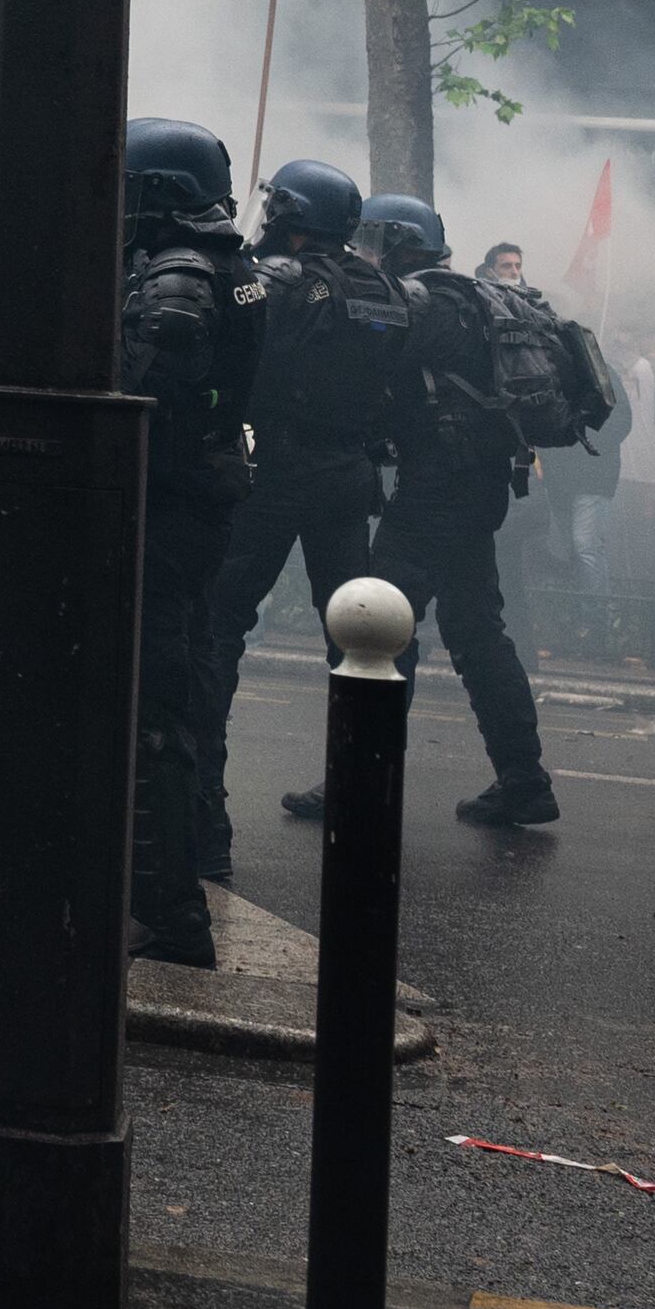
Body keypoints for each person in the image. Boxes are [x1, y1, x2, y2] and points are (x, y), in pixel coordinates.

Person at [329, 196, 558, 834]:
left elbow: (367, 367)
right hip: (475, 483)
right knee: (477, 628)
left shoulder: (421, 303)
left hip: (437, 485)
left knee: (376, 624)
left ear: (388, 241)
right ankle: (524, 780)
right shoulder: (474, 298)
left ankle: (357, 778)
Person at [199, 159, 406, 858]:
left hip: (276, 469)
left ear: (288, 212)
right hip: (346, 472)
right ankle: (365, 791)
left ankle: (202, 815)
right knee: (359, 636)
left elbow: (239, 361)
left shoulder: (276, 281)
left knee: (218, 626)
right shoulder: (381, 285)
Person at [122, 123, 260, 964]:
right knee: (181, 686)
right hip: (200, 498)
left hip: (168, 502)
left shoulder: (180, 274)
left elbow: (145, 382)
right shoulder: (230, 267)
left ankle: (171, 908)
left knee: (153, 711)